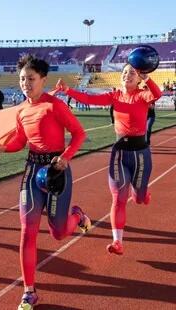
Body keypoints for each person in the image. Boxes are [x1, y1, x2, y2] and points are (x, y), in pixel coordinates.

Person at [0, 55, 90, 310]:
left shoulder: (55, 105)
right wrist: (3, 147)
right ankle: (29, 291)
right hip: (33, 171)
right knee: (28, 230)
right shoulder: (21, 110)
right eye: (22, 79)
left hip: (56, 171)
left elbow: (79, 134)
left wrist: (65, 158)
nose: (26, 83)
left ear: (43, 80)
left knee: (58, 232)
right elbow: (20, 142)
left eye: (31, 79)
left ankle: (77, 217)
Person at [55, 63, 162, 256]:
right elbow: (89, 98)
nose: (127, 75)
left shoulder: (142, 94)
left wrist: (147, 78)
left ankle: (142, 194)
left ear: (138, 78)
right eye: (124, 72)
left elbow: (157, 94)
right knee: (119, 198)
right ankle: (117, 241)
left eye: (132, 73)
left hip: (141, 154)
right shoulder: (114, 96)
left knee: (138, 198)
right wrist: (67, 90)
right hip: (119, 153)